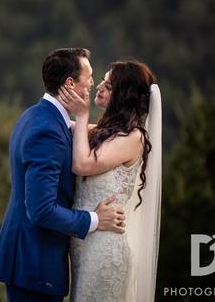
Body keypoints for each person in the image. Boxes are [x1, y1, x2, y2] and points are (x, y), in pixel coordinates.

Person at [0, 48, 127, 302]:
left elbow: (87, 131)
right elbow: (41, 210)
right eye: (88, 76)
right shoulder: (49, 131)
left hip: (28, 260)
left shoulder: (37, 115)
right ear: (70, 83)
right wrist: (96, 220)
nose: (91, 83)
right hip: (35, 263)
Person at [59, 59, 162, 302]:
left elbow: (81, 164)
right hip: (83, 245)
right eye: (102, 81)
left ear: (124, 95)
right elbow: (70, 128)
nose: (100, 87)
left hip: (105, 251)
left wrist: (82, 113)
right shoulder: (106, 132)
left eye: (109, 84)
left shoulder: (133, 137)